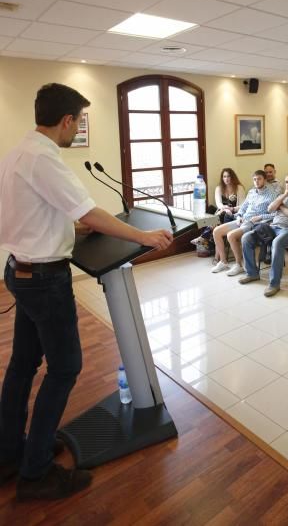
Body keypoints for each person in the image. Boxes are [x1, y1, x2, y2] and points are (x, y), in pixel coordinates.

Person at [0, 83, 173, 501]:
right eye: (77, 121)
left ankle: (9, 454)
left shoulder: (18, 152)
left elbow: (36, 210)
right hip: (43, 279)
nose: (76, 129)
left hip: (19, 270)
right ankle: (36, 473)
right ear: (66, 120)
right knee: (64, 369)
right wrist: (143, 237)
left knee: (23, 364)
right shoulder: (45, 158)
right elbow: (90, 211)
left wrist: (69, 227)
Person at [239, 173, 288, 297]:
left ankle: (274, 284)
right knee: (247, 238)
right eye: (286, 182)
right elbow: (270, 209)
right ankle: (252, 273)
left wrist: (281, 207)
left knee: (277, 242)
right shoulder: (284, 197)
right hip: (273, 228)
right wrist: (283, 196)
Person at [211, 170, 276, 276]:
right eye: (254, 179)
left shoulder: (271, 194)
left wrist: (260, 217)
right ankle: (223, 261)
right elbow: (243, 207)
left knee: (231, 235)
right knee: (216, 231)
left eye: (259, 179)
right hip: (243, 220)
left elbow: (275, 215)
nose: (256, 182)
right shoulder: (251, 192)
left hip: (254, 223)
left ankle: (239, 265)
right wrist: (239, 216)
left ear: (265, 180)